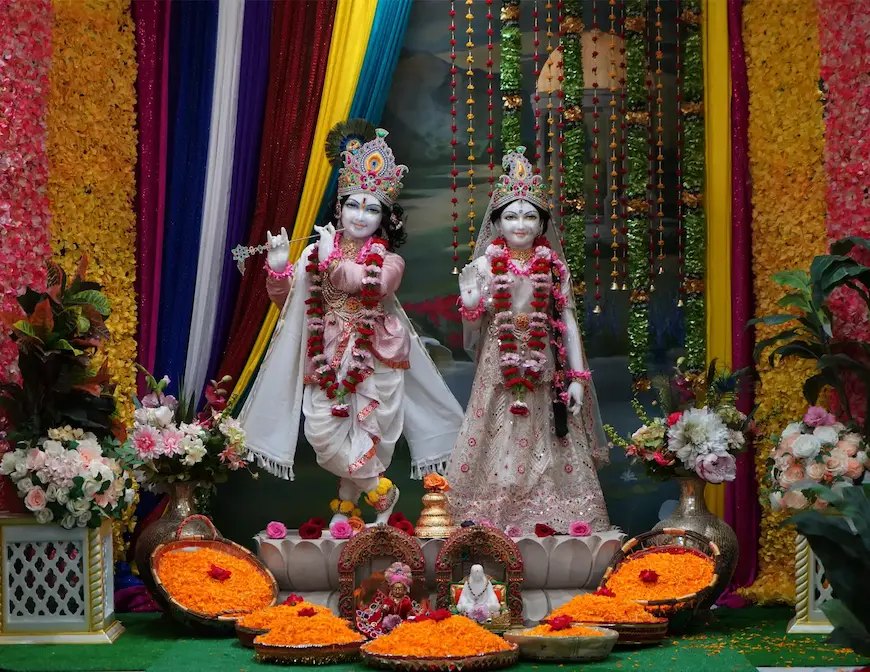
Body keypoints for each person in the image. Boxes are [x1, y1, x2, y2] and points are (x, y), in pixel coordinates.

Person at [240, 123, 464, 526]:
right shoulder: (315, 252)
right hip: (325, 355)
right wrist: (277, 272)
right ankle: (380, 490)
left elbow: (370, 287)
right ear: (339, 208)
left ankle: (346, 510)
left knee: (369, 434)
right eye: (353, 205)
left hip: (375, 359)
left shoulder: (389, 261)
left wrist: (329, 260)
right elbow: (290, 303)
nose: (360, 216)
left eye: (372, 208)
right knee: (324, 435)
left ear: (384, 219)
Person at [446, 148, 610, 534]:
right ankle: (491, 519)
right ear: (498, 223)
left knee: (548, 434)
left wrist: (577, 378)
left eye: (530, 216)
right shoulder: (486, 265)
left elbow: (566, 319)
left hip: (544, 363)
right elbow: (474, 317)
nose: (520, 224)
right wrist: (470, 304)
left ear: (542, 225)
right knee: (495, 431)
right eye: (512, 215)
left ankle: (552, 517)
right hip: (498, 364)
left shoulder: (553, 266)